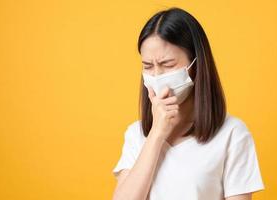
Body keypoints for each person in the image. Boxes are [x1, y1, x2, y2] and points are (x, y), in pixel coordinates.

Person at [112, 7, 265, 200]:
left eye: (167, 64)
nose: (157, 75)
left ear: (196, 65)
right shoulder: (136, 135)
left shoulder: (232, 133)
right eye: (148, 66)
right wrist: (157, 134)